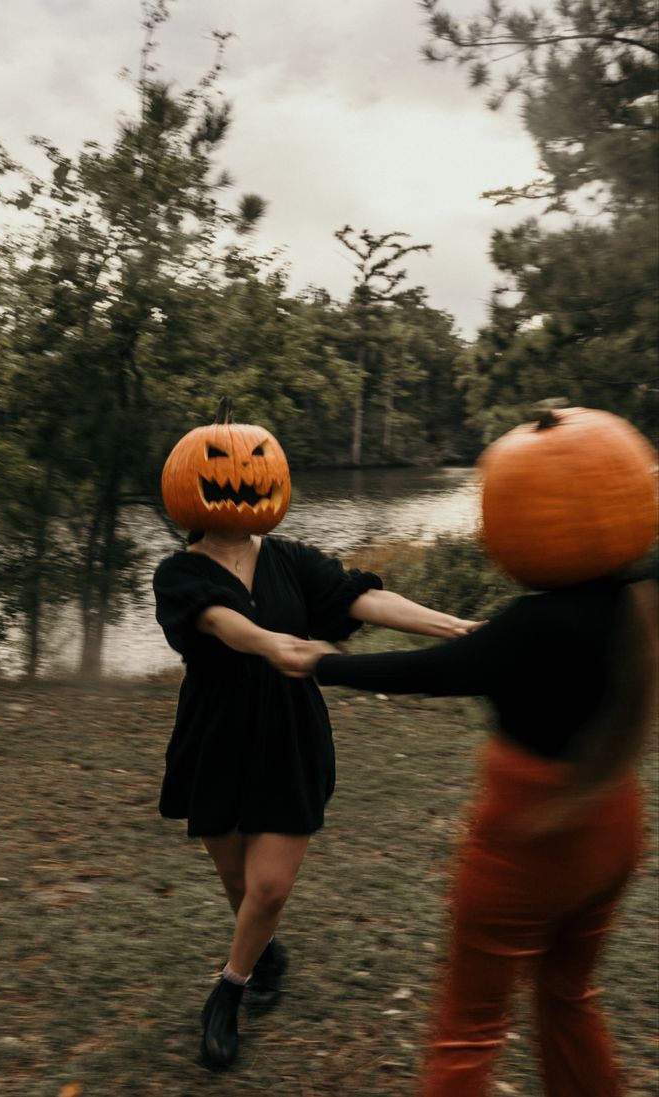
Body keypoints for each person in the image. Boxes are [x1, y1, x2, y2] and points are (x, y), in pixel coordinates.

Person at [280, 407, 658, 1097]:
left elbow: (425, 673)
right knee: (568, 993)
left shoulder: (534, 625)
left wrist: (320, 661)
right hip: (614, 826)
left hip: (530, 837)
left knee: (470, 1028)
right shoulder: (641, 598)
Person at [153, 528, 481, 1070]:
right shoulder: (178, 573)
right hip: (216, 734)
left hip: (289, 731)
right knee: (239, 882)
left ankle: (228, 992)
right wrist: (273, 642)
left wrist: (457, 627)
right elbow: (217, 621)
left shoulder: (287, 558)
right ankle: (263, 954)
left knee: (271, 888)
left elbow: (364, 599)